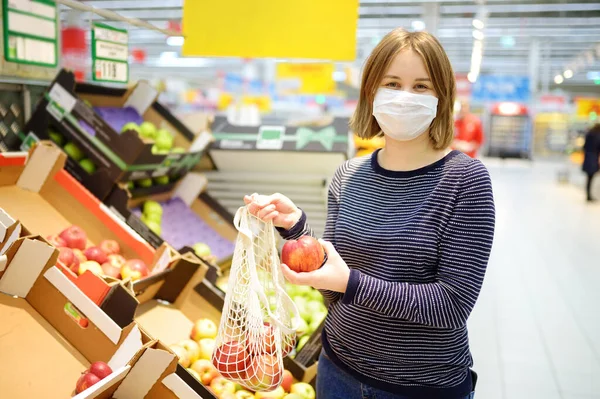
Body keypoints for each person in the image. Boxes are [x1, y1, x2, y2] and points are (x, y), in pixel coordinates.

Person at [245, 28, 495, 399]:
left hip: (419, 386)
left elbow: (451, 306)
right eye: (392, 83)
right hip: (337, 369)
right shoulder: (348, 174)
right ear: (371, 93)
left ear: (442, 98)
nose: (405, 97)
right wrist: (296, 229)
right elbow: (334, 286)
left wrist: (352, 283)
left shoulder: (466, 182)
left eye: (421, 86)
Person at [582, 123, 600, 202]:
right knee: (590, 178)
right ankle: (589, 195)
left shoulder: (589, 134)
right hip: (593, 159)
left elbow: (584, 146)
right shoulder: (597, 136)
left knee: (589, 178)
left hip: (588, 158)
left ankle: (588, 195)